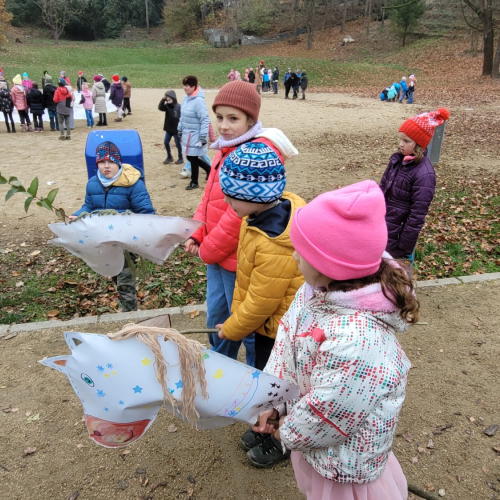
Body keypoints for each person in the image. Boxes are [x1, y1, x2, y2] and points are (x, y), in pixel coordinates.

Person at [250, 180, 417, 500]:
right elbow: (287, 341)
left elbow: (330, 412)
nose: (295, 255)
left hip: (346, 466)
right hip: (318, 448)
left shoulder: (358, 341)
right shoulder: (313, 291)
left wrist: (287, 429)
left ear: (331, 265)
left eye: (303, 250)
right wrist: (275, 400)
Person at [185, 80, 269, 366]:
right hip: (215, 255)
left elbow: (238, 215)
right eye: (219, 117)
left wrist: (209, 247)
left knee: (244, 324)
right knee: (216, 317)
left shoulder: (253, 156)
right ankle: (222, 366)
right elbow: (208, 199)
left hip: (238, 259)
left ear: (251, 120)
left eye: (233, 118)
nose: (223, 125)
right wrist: (197, 233)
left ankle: (257, 377)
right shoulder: (224, 149)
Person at [70, 141, 155, 312]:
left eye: (111, 162)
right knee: (116, 276)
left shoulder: (133, 184)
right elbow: (89, 205)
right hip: (104, 240)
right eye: (102, 162)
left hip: (125, 242)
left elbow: (146, 213)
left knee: (125, 281)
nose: (106, 166)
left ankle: (130, 315)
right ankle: (129, 309)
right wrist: (78, 214)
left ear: (118, 162)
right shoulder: (93, 183)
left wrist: (131, 227)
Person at [380, 108, 450, 260]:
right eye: (400, 139)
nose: (400, 144)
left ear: (419, 144)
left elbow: (417, 215)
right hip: (382, 226)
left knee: (393, 272)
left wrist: (404, 246)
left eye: (406, 141)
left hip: (398, 234)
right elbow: (382, 189)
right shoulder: (396, 161)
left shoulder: (424, 174)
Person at [178, 75, 211, 190]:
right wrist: (180, 128)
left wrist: (203, 136)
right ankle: (208, 169)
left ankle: (194, 181)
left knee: (192, 157)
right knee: (190, 157)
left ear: (193, 87)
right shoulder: (185, 98)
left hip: (196, 134)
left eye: (187, 85)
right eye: (184, 85)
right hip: (187, 133)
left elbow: (204, 119)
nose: (184, 88)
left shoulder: (199, 101)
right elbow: (182, 116)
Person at [158, 90, 183, 165]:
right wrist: (163, 100)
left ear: (174, 99)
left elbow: (182, 117)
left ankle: (180, 157)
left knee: (178, 144)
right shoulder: (166, 106)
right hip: (169, 129)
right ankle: (169, 157)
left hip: (176, 129)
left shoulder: (179, 107)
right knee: (166, 142)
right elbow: (160, 107)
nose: (168, 102)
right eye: (167, 100)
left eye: (170, 100)